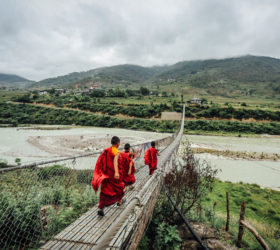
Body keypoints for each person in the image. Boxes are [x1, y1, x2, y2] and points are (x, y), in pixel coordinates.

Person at [92, 136, 126, 216]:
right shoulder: (116, 151)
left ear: (111, 143)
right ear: (118, 143)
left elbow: (101, 162)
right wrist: (117, 173)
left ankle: (101, 208)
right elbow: (115, 161)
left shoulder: (107, 151)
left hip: (107, 175)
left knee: (105, 191)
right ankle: (119, 201)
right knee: (120, 188)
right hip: (114, 176)